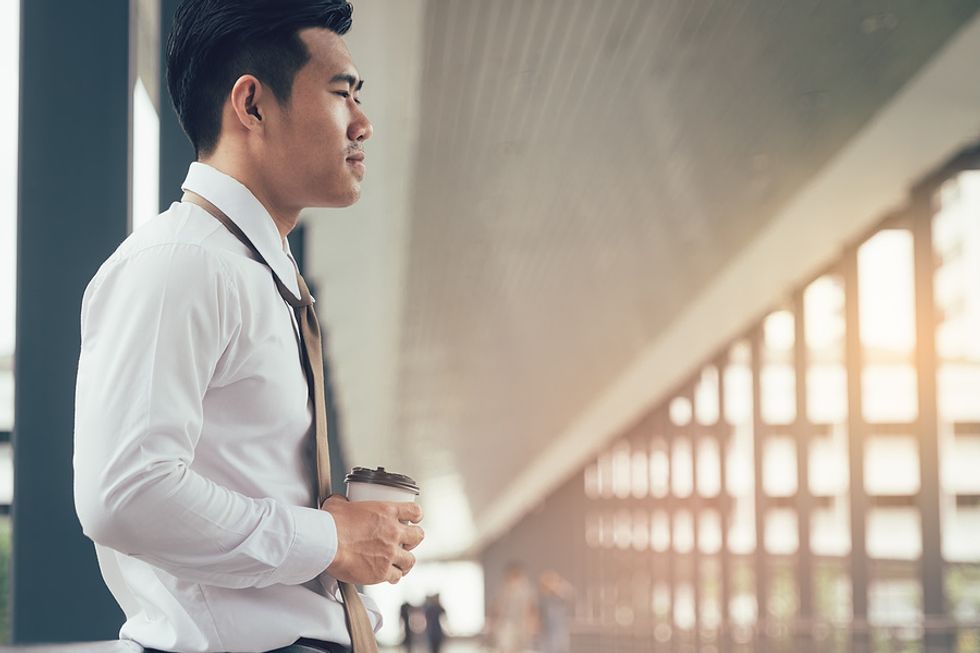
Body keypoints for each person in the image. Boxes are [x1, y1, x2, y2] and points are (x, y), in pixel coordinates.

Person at [72, 2, 424, 652]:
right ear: (253, 105)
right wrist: (332, 539)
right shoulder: (180, 264)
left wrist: (350, 540)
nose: (364, 124)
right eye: (342, 94)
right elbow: (124, 492)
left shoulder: (259, 274)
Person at [489, 563, 538, 653]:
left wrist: (532, 624)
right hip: (506, 624)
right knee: (505, 647)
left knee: (520, 648)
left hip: (522, 624)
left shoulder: (526, 589)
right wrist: (493, 623)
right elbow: (496, 607)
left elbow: (531, 607)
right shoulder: (502, 589)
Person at [537, 571, 573, 653]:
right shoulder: (544, 599)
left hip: (559, 634)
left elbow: (569, 594)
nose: (544, 587)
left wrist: (556, 586)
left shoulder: (562, 594)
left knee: (559, 647)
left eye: (546, 583)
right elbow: (541, 614)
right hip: (547, 634)